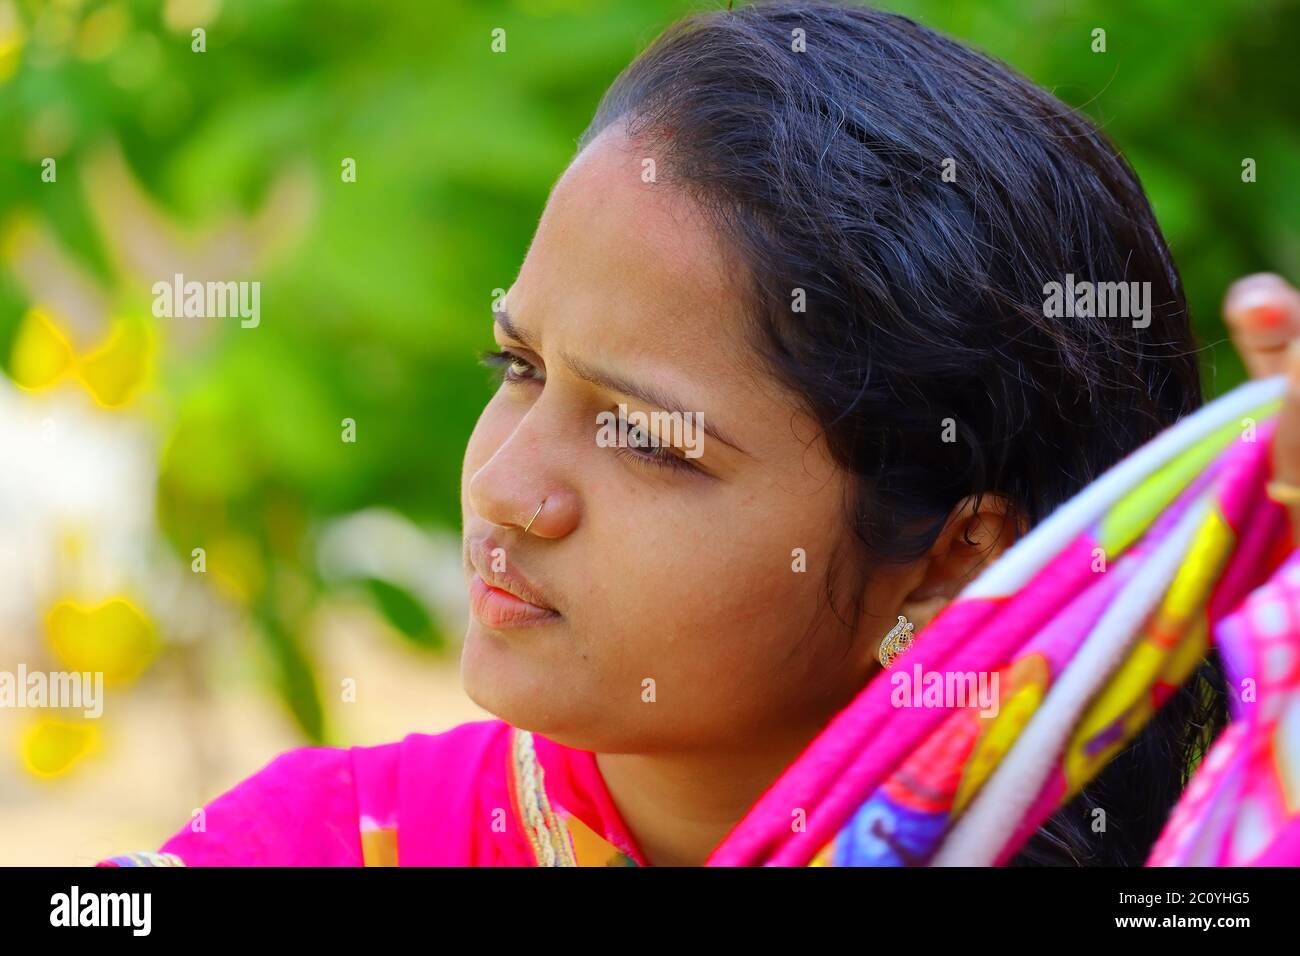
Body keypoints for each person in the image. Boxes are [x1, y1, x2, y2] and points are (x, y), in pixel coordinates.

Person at [100, 0, 1300, 868]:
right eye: (515, 366)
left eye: (645, 437)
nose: (511, 488)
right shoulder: (311, 843)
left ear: (953, 557)